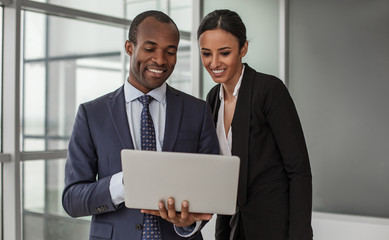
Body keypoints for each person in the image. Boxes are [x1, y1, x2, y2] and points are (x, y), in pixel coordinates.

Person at [62, 10, 219, 240]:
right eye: (149, 49)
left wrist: (189, 222)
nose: (160, 60)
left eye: (170, 51)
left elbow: (211, 187)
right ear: (129, 48)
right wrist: (125, 183)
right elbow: (72, 199)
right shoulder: (92, 114)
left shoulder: (198, 110)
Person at [198, 9, 313, 240]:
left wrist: (299, 235)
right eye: (206, 54)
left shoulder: (268, 90)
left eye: (225, 52)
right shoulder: (212, 98)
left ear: (243, 49)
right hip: (232, 226)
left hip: (274, 228)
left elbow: (299, 170)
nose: (214, 62)